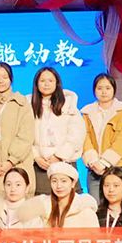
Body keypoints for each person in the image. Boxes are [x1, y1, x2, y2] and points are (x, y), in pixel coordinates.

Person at [0, 62, 36, 198]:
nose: (0, 81)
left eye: (5, 77)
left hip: (17, 167)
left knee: (18, 207)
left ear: (11, 79)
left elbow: (26, 136)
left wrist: (10, 162)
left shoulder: (22, 104)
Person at [28, 67, 86, 196]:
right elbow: (25, 135)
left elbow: (77, 134)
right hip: (39, 165)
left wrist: (59, 156)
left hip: (65, 162)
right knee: (41, 203)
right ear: (36, 83)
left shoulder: (69, 104)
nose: (46, 84)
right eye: (42, 80)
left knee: (68, 202)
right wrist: (36, 156)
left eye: (50, 80)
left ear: (57, 83)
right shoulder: (29, 105)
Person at [81, 73, 122, 200]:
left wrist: (105, 162)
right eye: (99, 88)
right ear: (94, 90)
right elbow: (84, 138)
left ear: (114, 89)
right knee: (96, 207)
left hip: (120, 166)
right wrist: (93, 161)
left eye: (108, 88)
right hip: (94, 168)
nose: (104, 92)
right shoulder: (87, 113)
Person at [36, 161, 99, 229]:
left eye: (64, 181)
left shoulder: (85, 209)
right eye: (54, 181)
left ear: (73, 183)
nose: (58, 186)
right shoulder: (44, 206)